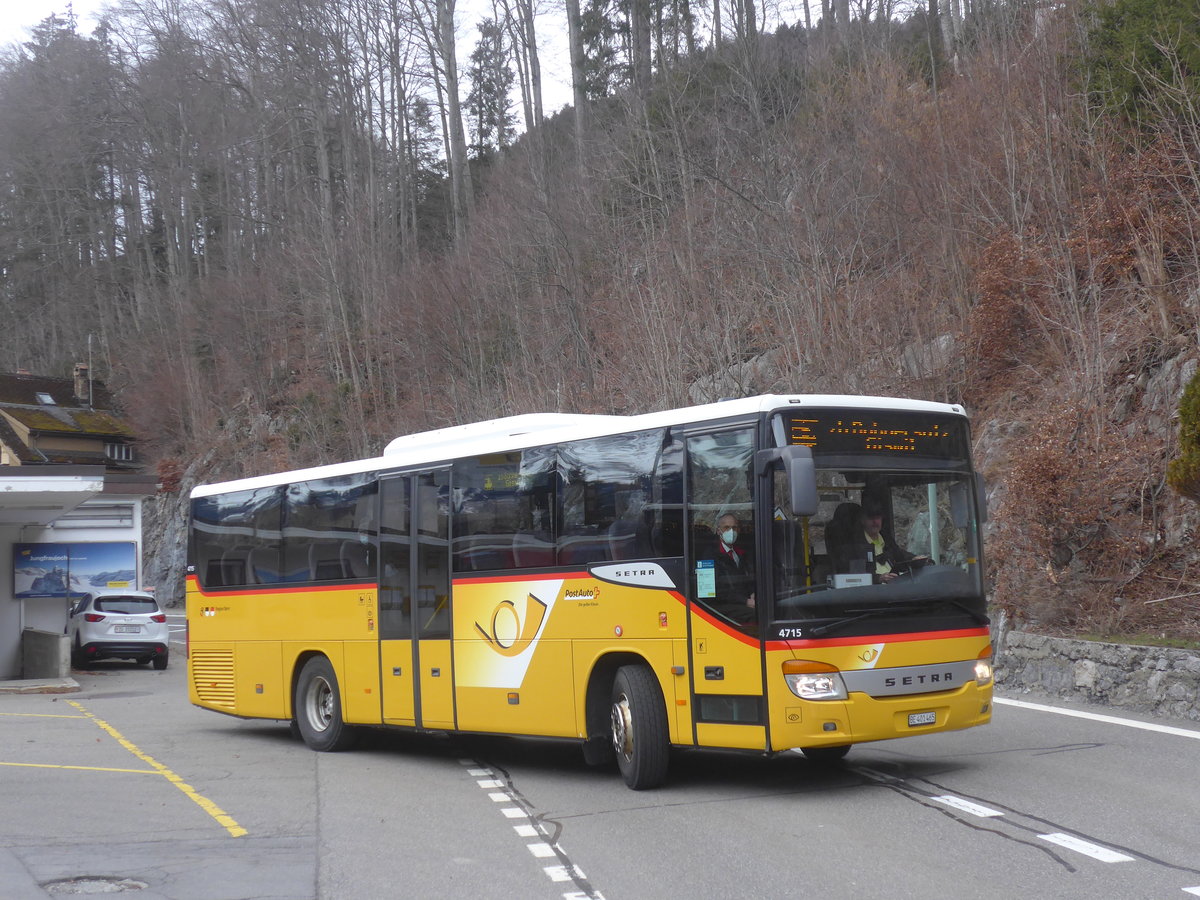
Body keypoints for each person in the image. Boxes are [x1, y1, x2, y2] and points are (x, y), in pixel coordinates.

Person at [828, 499, 927, 584]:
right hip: (872, 595)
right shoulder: (854, 546)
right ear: (862, 520)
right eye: (871, 518)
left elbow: (900, 555)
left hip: (896, 588)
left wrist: (914, 558)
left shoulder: (886, 539)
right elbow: (855, 577)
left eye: (878, 518)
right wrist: (879, 578)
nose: (875, 522)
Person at [710, 512, 756, 618]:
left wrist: (753, 592)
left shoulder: (740, 553)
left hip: (742, 601)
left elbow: (747, 578)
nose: (731, 531)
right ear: (718, 531)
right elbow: (717, 590)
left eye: (734, 528)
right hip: (722, 605)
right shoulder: (711, 556)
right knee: (755, 615)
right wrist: (746, 601)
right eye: (726, 527)